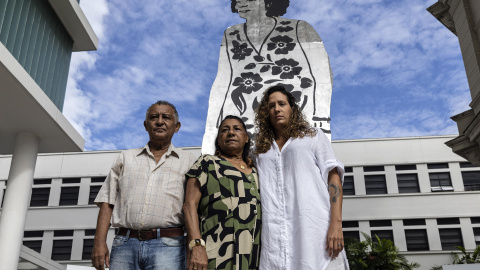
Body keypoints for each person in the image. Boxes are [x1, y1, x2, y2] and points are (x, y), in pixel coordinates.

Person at [202, 0, 333, 154]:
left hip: (290, 118)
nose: (242, 3)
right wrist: (212, 128)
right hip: (244, 118)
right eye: (238, 0)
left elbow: (321, 74)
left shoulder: (299, 28)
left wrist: (320, 117)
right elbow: (223, 80)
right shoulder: (231, 34)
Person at [91, 101, 197, 270]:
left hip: (170, 247)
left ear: (177, 126)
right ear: (146, 125)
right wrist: (99, 242)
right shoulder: (126, 157)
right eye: (154, 117)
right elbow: (107, 201)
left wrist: (195, 246)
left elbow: (193, 207)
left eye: (166, 117)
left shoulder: (190, 161)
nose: (160, 121)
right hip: (124, 245)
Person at [254, 85, 349, 270]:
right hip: (274, 243)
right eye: (271, 106)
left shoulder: (312, 136)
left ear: (292, 108)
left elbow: (333, 178)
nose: (277, 109)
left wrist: (336, 224)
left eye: (282, 103)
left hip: (316, 235)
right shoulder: (259, 151)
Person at [183, 115, 261, 270]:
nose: (231, 133)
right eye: (225, 130)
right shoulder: (206, 163)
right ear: (218, 140)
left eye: (237, 129)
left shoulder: (257, 171)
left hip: (252, 256)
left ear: (246, 138)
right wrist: (197, 246)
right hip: (216, 253)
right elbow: (189, 205)